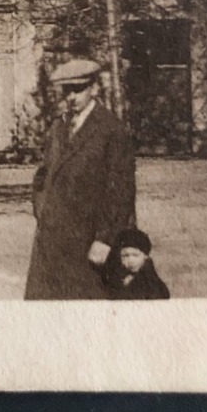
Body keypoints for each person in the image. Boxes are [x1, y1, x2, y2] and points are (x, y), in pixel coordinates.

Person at [24, 58, 137, 300]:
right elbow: (44, 174)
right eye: (66, 91)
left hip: (87, 242)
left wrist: (104, 239)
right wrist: (41, 208)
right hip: (50, 240)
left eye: (78, 89)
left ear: (94, 88)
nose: (71, 97)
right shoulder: (59, 127)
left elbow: (121, 190)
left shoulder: (111, 130)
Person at [103, 227, 171, 300]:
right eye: (125, 255)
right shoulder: (115, 279)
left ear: (145, 257)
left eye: (135, 255)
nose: (130, 260)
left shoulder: (153, 284)